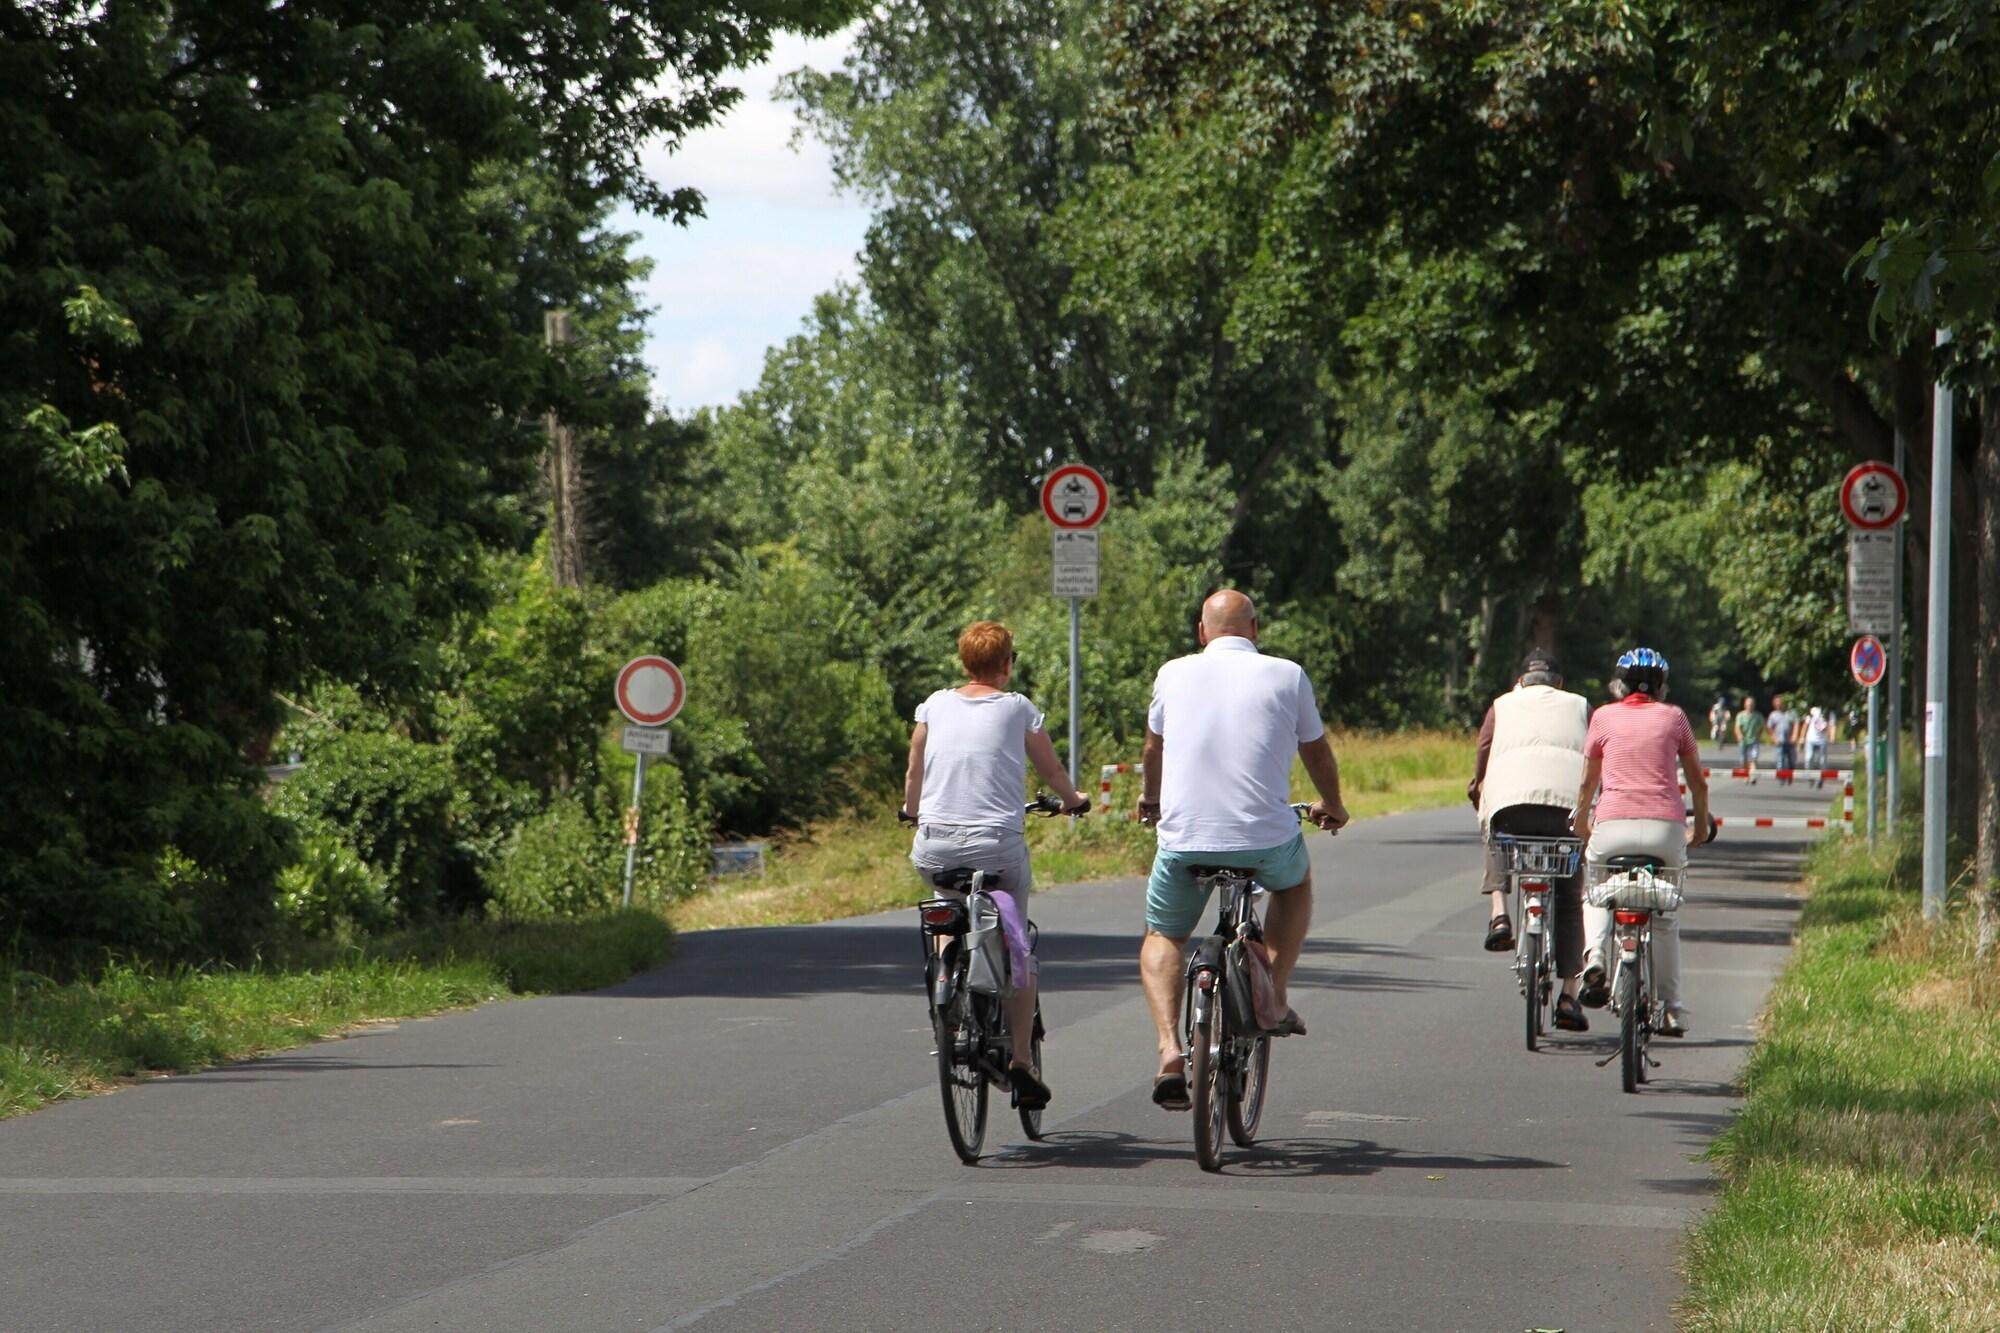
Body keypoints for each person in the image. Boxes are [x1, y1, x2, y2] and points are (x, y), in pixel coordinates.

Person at [1134, 590, 1347, 1111]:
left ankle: (1168, 1047)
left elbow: (1152, 747)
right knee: (1294, 883)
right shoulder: (1287, 674)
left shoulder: (1171, 673)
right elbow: (1315, 750)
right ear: (1254, 628)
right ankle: (1271, 991)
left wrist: (1151, 798)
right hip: (1266, 841)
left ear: (1201, 632)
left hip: (1184, 841)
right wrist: (1333, 805)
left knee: (1164, 934)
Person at [903, 620, 1091, 1110]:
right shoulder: (1018, 709)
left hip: (936, 847)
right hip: (997, 850)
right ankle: (1022, 1061)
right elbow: (1050, 770)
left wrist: (911, 812)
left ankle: (949, 989)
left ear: (964, 662)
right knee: (1018, 943)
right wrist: (1073, 800)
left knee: (947, 905)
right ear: (1007, 664)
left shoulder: (935, 705)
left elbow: (915, 769)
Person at [1573, 647, 1711, 1038]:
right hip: (1665, 829)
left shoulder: (1602, 717)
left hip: (1612, 825)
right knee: (1665, 916)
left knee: (1596, 892)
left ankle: (1596, 956)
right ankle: (1671, 1009)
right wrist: (1698, 829)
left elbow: (1587, 783)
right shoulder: (1675, 718)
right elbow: (1698, 782)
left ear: (1619, 684)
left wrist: (1583, 823)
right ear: (1662, 686)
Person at [1467, 650, 1592, 1031]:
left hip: (1512, 806)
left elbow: (1484, 750)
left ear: (1521, 680)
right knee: (1569, 900)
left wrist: (1478, 791)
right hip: (1565, 812)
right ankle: (1570, 993)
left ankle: (1499, 912)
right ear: (1559, 683)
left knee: (1493, 827)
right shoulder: (1581, 706)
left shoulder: (1501, 705)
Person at [1767, 694, 1798, 784]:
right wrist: (1774, 738)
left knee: (1792, 760)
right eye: (1777, 703)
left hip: (1790, 740)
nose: (1779, 704)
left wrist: (1795, 736)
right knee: (1780, 760)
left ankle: (1790, 775)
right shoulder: (1773, 715)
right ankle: (1781, 778)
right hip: (1779, 741)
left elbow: (1796, 724)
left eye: (1780, 702)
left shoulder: (1791, 713)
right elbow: (1769, 727)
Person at [1734, 695, 1764, 783]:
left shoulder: (1758, 716)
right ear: (1745, 705)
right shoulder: (1740, 715)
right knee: (1743, 759)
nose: (1750, 706)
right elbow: (1737, 727)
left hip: (1754, 740)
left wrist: (1758, 735)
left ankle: (1753, 776)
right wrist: (1739, 735)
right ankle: (1745, 776)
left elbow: (1762, 726)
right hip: (1743, 740)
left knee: (1753, 758)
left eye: (1751, 704)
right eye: (1748, 704)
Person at [1804, 705, 1831, 784]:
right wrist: (1802, 737)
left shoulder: (1828, 711)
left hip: (1822, 740)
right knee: (1809, 758)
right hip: (1811, 739)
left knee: (1822, 760)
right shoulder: (1813, 710)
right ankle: (1810, 776)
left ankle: (1821, 779)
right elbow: (1806, 723)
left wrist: (1831, 736)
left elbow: (1832, 724)